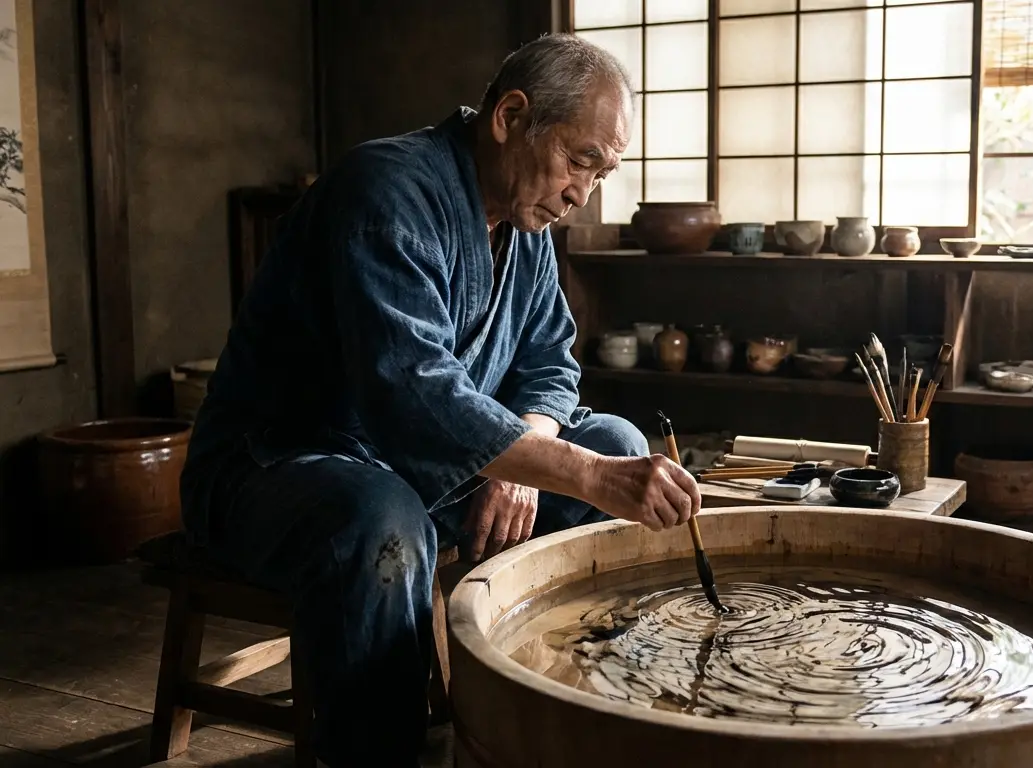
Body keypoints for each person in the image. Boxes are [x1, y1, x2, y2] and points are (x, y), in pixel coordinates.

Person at [179, 34, 699, 767]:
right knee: (384, 522)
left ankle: (554, 711)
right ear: (510, 116)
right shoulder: (384, 190)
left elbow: (550, 363)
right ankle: (374, 752)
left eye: (603, 172)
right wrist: (559, 467)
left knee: (614, 441)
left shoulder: (527, 222)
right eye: (580, 160)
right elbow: (412, 393)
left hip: (433, 467)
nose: (584, 192)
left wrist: (522, 457)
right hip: (282, 465)